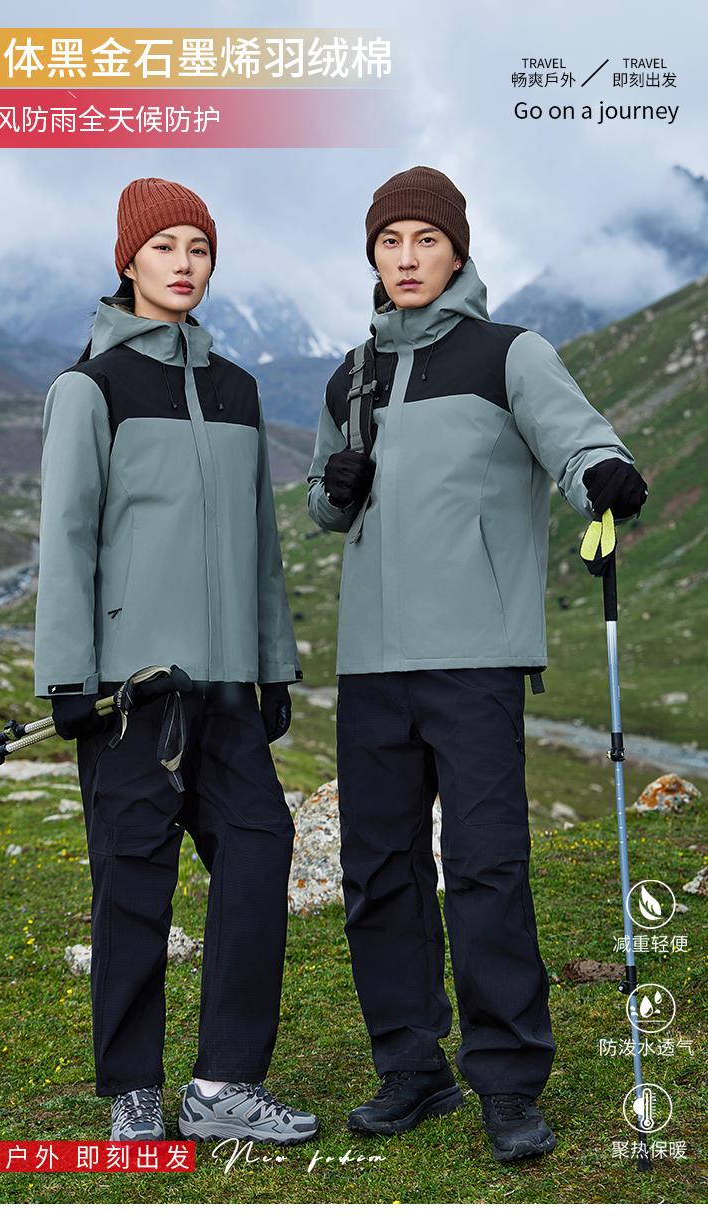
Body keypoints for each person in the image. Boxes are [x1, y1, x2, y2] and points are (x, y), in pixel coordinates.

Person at [306, 166, 648, 1163]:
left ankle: (506, 1081)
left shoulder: (510, 353)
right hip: (371, 665)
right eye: (390, 242)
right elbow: (325, 505)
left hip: (474, 659)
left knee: (486, 868)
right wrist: (335, 489)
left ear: (456, 250)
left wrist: (604, 476)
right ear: (372, 256)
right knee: (378, 872)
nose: (407, 258)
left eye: (425, 239)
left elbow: (577, 441)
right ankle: (410, 1069)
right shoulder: (350, 376)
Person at [33, 177, 319, 1145]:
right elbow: (67, 536)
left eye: (199, 247)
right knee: (134, 879)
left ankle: (224, 1083)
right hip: (130, 692)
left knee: (260, 847)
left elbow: (260, 540)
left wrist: (272, 665)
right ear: (129, 261)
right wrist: (68, 678)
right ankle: (133, 1092)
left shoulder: (237, 388)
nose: (184, 264)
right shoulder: (91, 388)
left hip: (226, 686)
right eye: (165, 247)